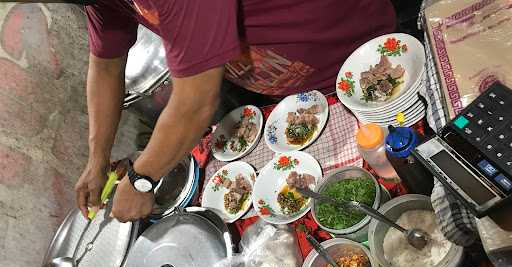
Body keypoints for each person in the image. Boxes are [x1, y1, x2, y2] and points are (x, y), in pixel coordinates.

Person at [76, 0, 396, 222]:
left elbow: (196, 102)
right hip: (297, 92)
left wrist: (140, 180)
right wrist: (96, 158)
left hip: (353, 51)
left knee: (396, 165)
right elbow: (105, 66)